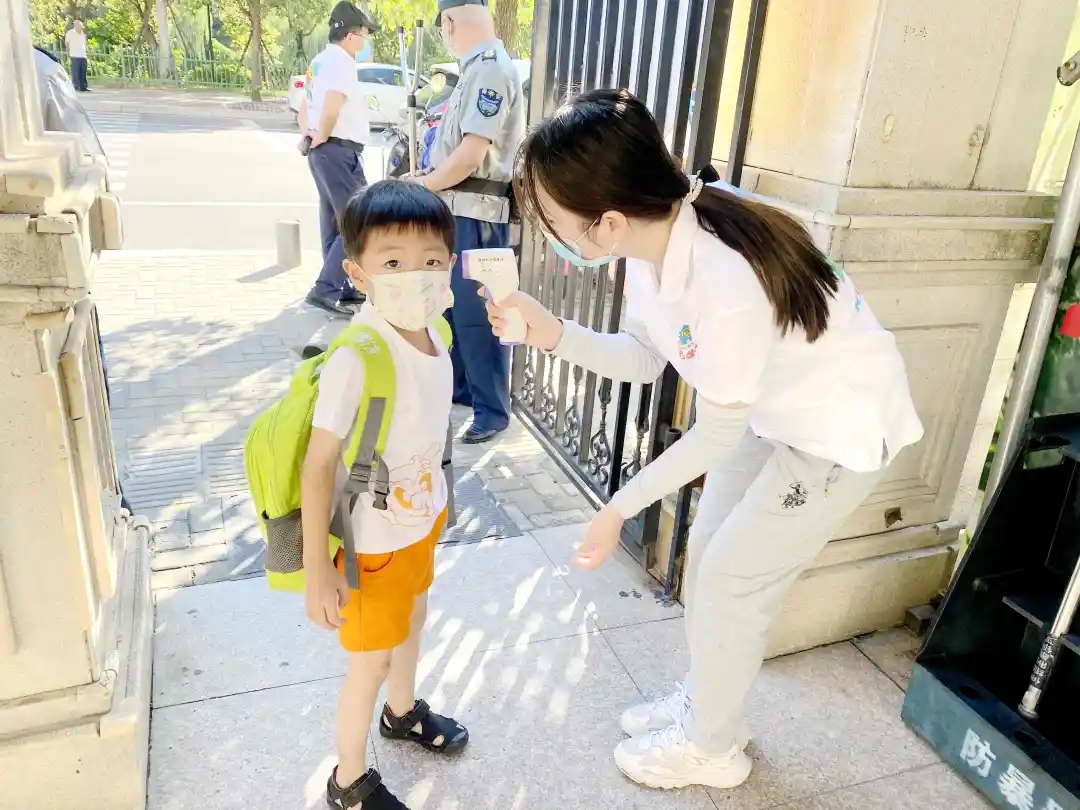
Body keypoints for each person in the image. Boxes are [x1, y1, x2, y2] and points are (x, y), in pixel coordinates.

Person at [486, 89, 924, 792]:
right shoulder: (651, 242)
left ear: (607, 221)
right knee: (711, 566)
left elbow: (715, 428)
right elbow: (642, 354)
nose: (552, 235)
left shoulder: (722, 279)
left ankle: (713, 748)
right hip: (773, 413)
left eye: (557, 222)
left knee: (730, 581)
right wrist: (552, 333)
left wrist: (617, 508)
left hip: (838, 430)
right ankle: (708, 708)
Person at [302, 180, 469, 810]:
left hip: (419, 521)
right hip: (373, 543)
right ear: (357, 272)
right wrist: (321, 571)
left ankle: (401, 713)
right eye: (392, 263)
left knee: (415, 619)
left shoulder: (438, 333)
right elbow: (318, 467)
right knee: (368, 661)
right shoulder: (360, 353)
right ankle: (347, 781)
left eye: (431, 260)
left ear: (450, 262)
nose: (415, 275)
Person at [408, 0, 525, 444]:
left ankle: (493, 411)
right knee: (456, 309)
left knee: (480, 315)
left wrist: (427, 184)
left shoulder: (491, 69)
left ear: (449, 22)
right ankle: (464, 390)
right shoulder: (476, 69)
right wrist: (426, 177)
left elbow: (472, 156)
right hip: (458, 208)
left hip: (478, 215)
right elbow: (453, 150)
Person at [298, 1, 377, 318]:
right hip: (337, 149)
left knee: (335, 221)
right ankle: (326, 289)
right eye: (364, 35)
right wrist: (322, 136)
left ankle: (341, 287)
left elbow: (304, 105)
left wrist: (310, 137)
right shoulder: (342, 63)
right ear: (350, 35)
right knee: (360, 220)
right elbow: (331, 104)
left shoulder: (318, 62)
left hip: (324, 150)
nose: (365, 41)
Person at [65, 20, 88, 92]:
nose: (81, 28)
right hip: (74, 54)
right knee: (76, 71)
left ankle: (83, 86)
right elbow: (67, 42)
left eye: (81, 27)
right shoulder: (71, 33)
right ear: (76, 26)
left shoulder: (83, 34)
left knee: (83, 71)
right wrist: (68, 51)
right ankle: (76, 86)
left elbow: (84, 43)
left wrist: (87, 50)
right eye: (80, 26)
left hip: (83, 55)